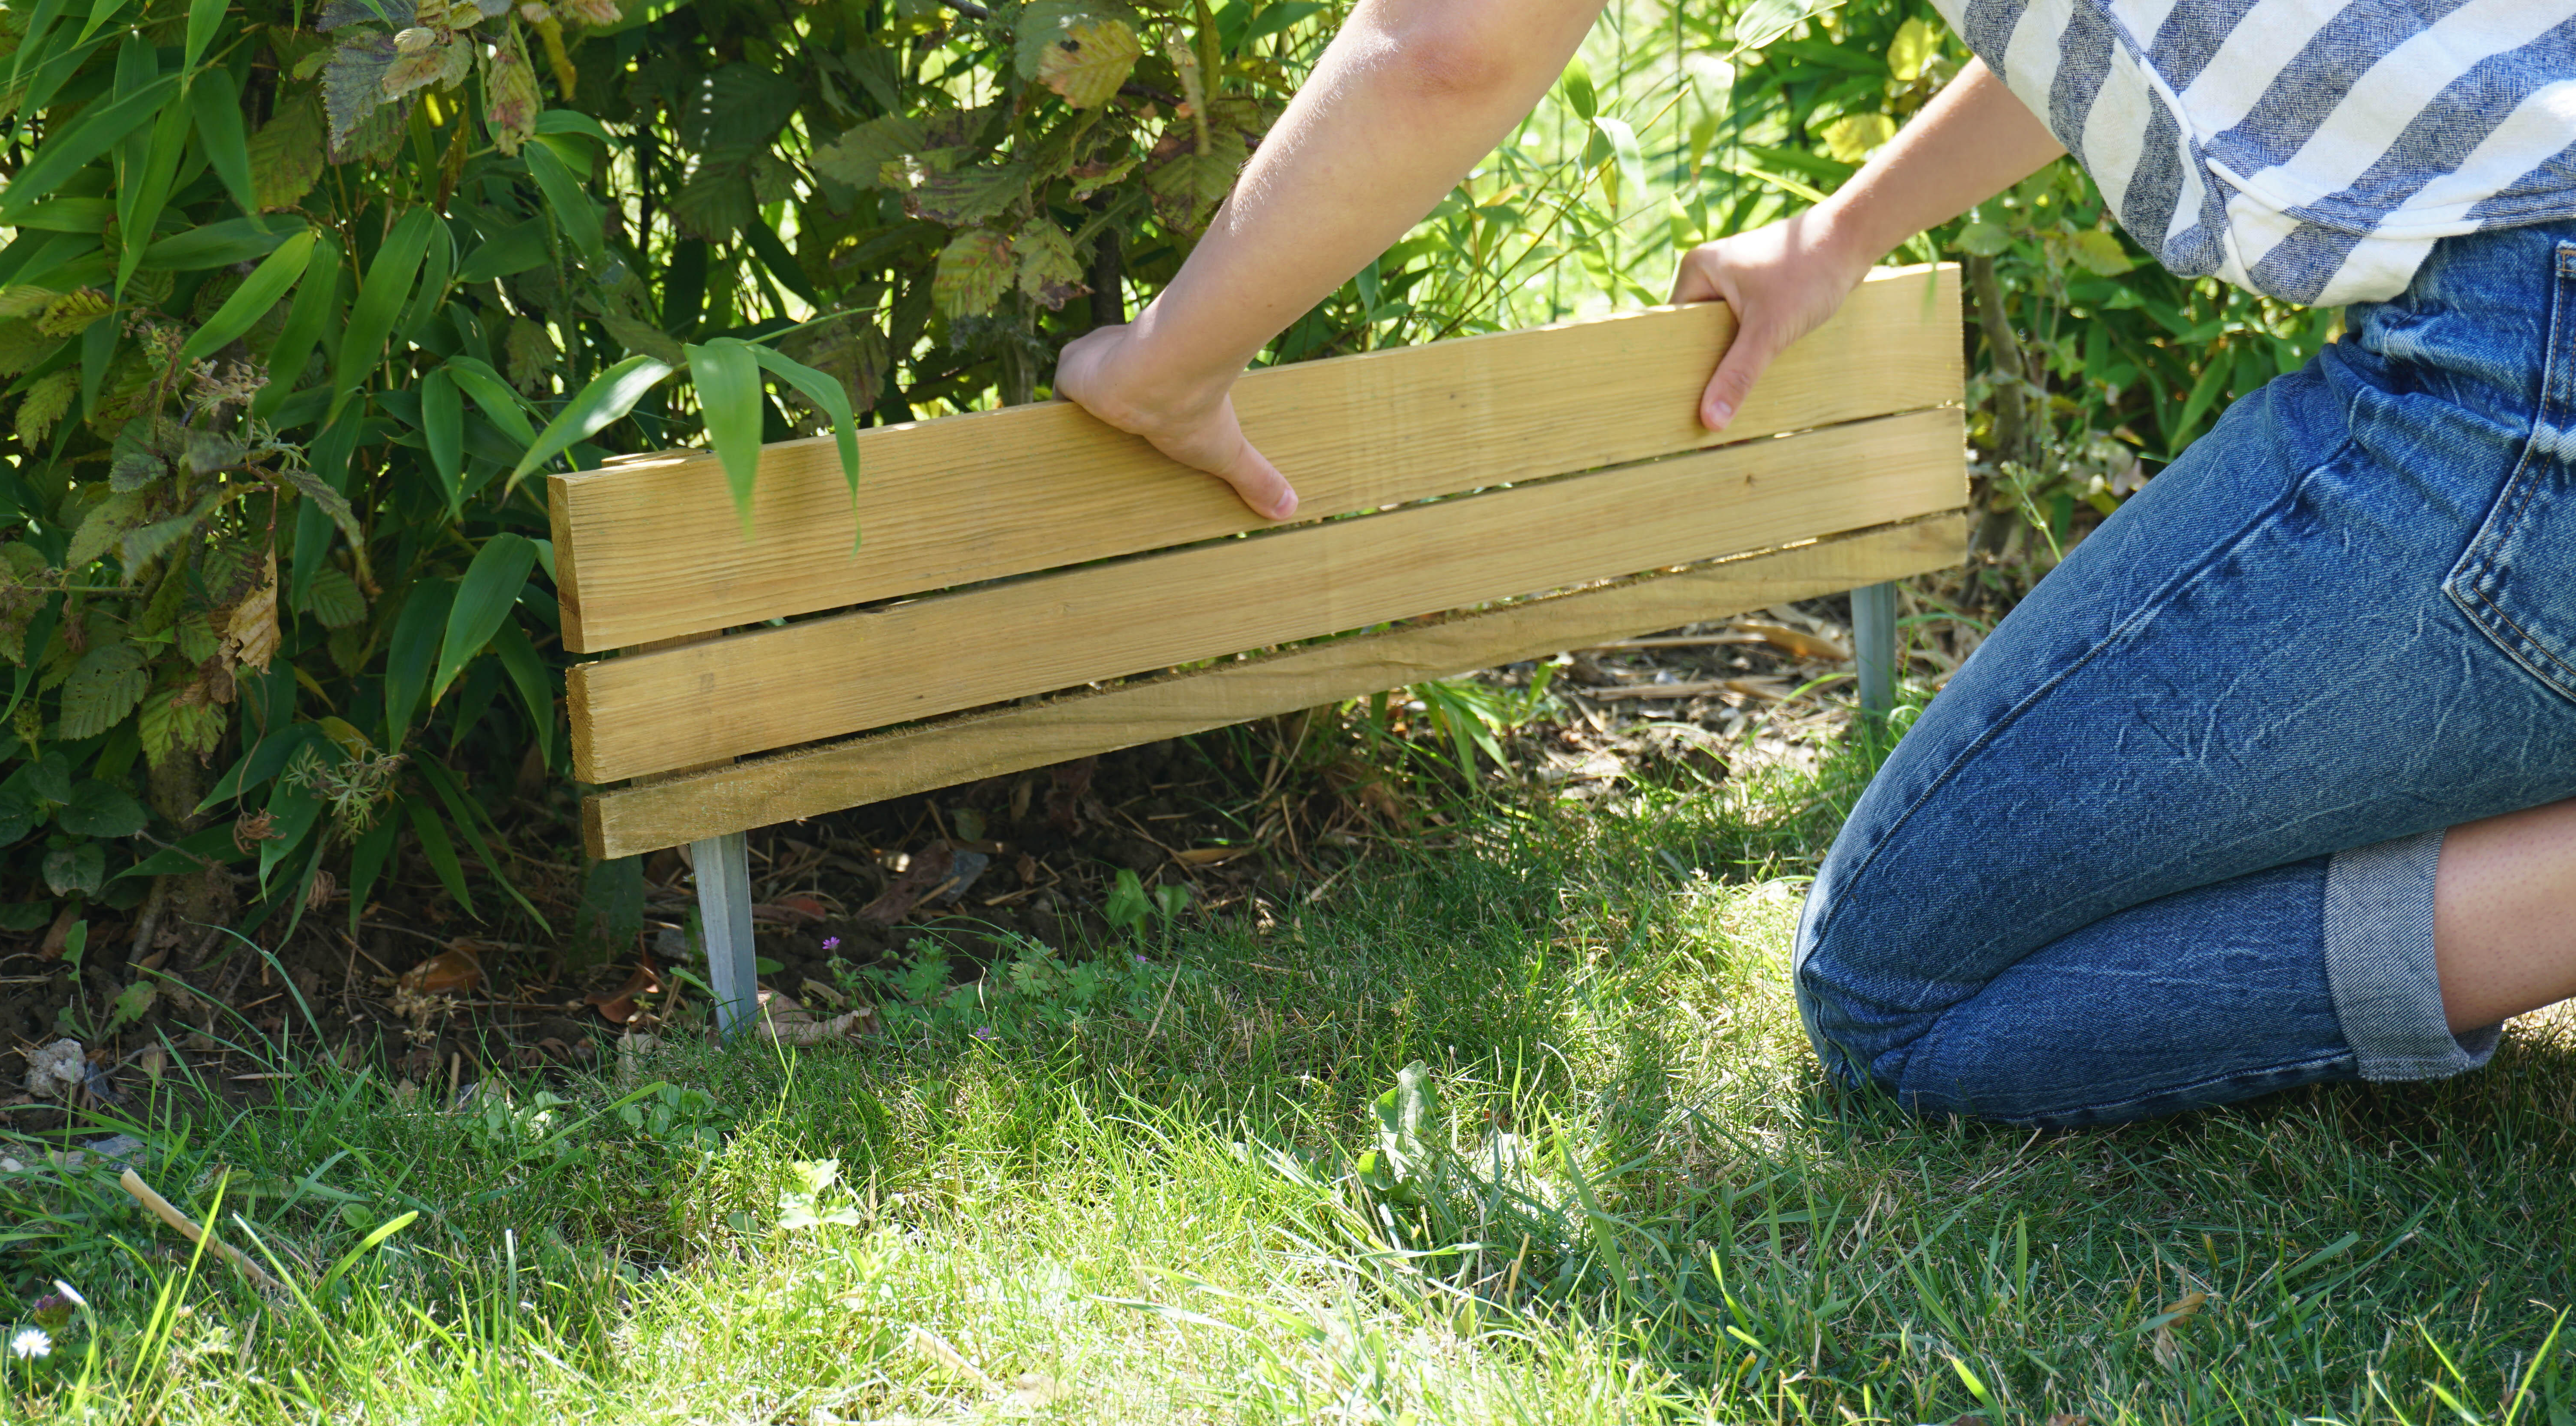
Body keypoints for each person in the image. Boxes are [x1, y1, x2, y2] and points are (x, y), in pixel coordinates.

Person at [1058, 0, 2576, 1124]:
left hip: (2532, 376)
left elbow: (1446, 43)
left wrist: (1164, 366)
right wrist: (1850, 230)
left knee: (1893, 995)